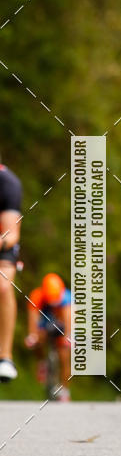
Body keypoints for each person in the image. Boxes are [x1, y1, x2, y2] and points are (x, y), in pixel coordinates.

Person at [25, 273, 72, 400]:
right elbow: (33, 318)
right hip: (45, 321)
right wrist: (32, 336)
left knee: (64, 356)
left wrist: (68, 337)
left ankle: (65, 390)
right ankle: (42, 362)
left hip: (62, 323)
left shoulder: (67, 297)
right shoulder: (37, 296)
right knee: (37, 339)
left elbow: (70, 319)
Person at [0, 162, 23, 381]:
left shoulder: (8, 184)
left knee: (3, 286)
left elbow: (11, 234)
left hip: (2, 244)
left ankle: (5, 356)